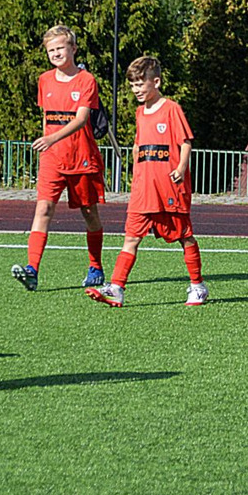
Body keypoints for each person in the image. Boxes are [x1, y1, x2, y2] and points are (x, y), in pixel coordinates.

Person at [85, 56, 208, 307]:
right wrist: (136, 169)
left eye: (140, 84)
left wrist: (181, 167)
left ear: (156, 82)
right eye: (133, 85)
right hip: (143, 190)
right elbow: (139, 145)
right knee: (131, 237)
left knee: (184, 236)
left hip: (168, 187)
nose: (136, 89)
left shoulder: (171, 108)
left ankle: (198, 286)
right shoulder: (140, 113)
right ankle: (117, 287)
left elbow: (185, 142)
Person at [11, 24, 106, 291]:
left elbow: (81, 119)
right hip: (52, 158)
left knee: (89, 213)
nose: (55, 53)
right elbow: (47, 118)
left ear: (73, 49)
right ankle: (32, 269)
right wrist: (48, 144)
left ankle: (96, 266)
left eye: (60, 48)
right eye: (51, 50)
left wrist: (52, 138)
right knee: (43, 209)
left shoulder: (86, 80)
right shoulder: (44, 80)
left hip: (81, 156)